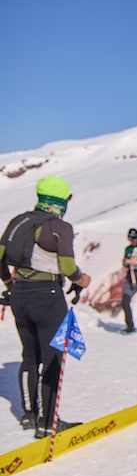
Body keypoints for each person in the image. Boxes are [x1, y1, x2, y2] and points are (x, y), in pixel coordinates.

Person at [0, 175, 92, 438]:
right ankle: (48, 422)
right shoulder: (59, 226)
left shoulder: (18, 222)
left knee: (30, 356)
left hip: (20, 296)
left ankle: (29, 416)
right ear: (62, 200)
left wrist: (10, 283)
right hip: (48, 296)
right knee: (53, 358)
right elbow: (67, 267)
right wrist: (82, 280)